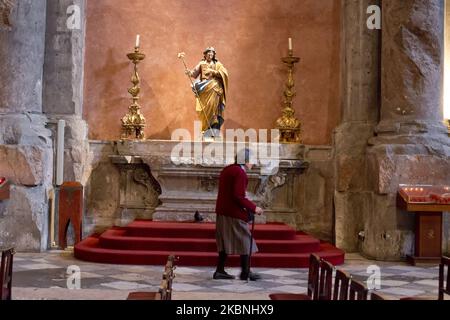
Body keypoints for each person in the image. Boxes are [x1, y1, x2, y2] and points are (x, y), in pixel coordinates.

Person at [214, 148, 264, 281]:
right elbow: (238, 196)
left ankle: (220, 270)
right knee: (246, 240)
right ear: (246, 160)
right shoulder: (239, 173)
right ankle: (245, 272)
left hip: (223, 211)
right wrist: (254, 208)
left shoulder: (228, 169)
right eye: (252, 160)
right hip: (232, 212)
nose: (253, 163)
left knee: (224, 241)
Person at [185, 47, 228, 138]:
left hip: (214, 88)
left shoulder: (217, 64)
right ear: (204, 55)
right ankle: (204, 130)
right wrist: (189, 73)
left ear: (214, 55)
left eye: (212, 54)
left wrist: (213, 71)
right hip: (204, 89)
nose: (210, 55)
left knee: (213, 110)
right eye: (208, 54)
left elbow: (224, 73)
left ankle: (213, 132)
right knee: (201, 109)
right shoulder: (201, 63)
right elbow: (194, 73)